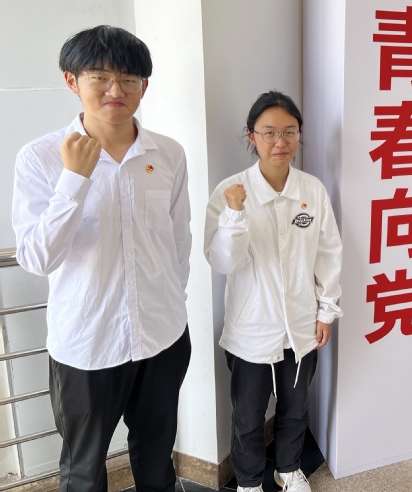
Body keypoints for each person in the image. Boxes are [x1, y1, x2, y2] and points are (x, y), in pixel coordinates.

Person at [11, 25, 192, 492]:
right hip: (88, 343)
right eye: (100, 77)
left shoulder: (168, 154)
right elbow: (36, 258)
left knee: (157, 457)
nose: (116, 90)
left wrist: (173, 302)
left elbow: (178, 241)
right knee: (83, 470)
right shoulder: (40, 158)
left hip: (163, 335)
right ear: (72, 80)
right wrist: (74, 180)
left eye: (129, 79)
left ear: (144, 86)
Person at [204, 91, 342, 492]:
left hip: (302, 322)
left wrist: (326, 310)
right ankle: (249, 482)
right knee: (247, 415)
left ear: (299, 134)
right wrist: (234, 214)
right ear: (251, 135)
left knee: (295, 408)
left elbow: (328, 253)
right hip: (251, 327)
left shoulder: (312, 190)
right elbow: (223, 262)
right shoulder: (231, 191)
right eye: (269, 132)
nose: (280, 142)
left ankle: (288, 469)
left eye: (289, 132)